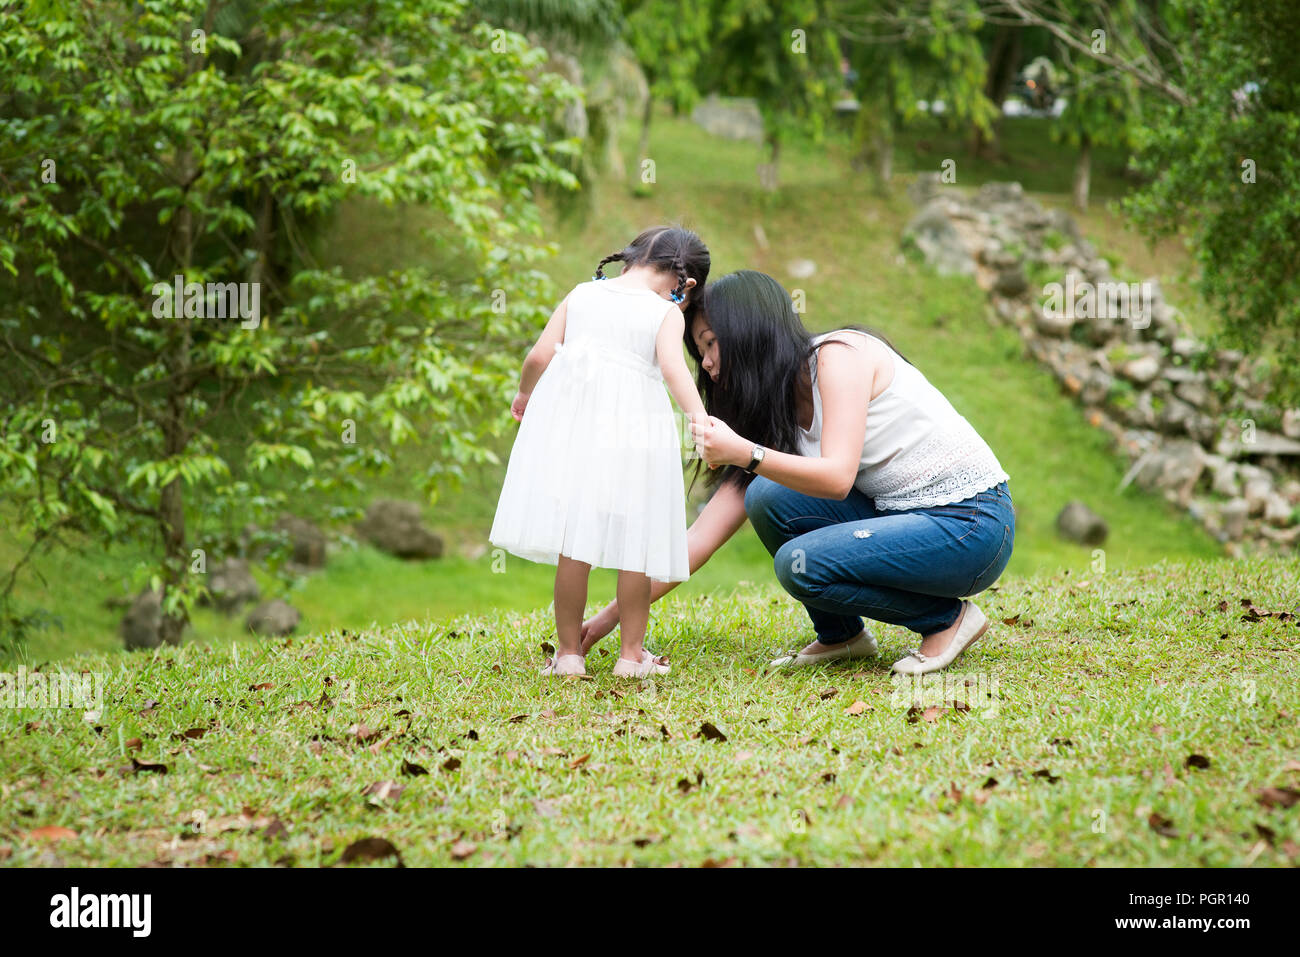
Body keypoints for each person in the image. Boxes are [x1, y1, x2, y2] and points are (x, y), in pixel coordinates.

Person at [579, 269, 1015, 676]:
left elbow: (838, 477)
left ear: (751, 333)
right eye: (700, 351)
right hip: (906, 521)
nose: (707, 364)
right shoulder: (775, 411)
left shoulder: (838, 357)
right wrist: (607, 619)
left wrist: (746, 452)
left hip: (970, 526)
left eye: (711, 343)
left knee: (799, 565)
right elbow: (699, 539)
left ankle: (947, 619)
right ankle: (842, 636)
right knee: (768, 495)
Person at [488, 226, 711, 678]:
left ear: (628, 259)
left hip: (577, 432)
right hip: (636, 434)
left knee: (576, 543)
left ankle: (569, 655)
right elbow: (673, 370)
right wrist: (698, 418)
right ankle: (631, 658)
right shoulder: (665, 313)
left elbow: (537, 356)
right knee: (637, 547)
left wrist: (524, 395)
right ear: (684, 284)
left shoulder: (583, 294)